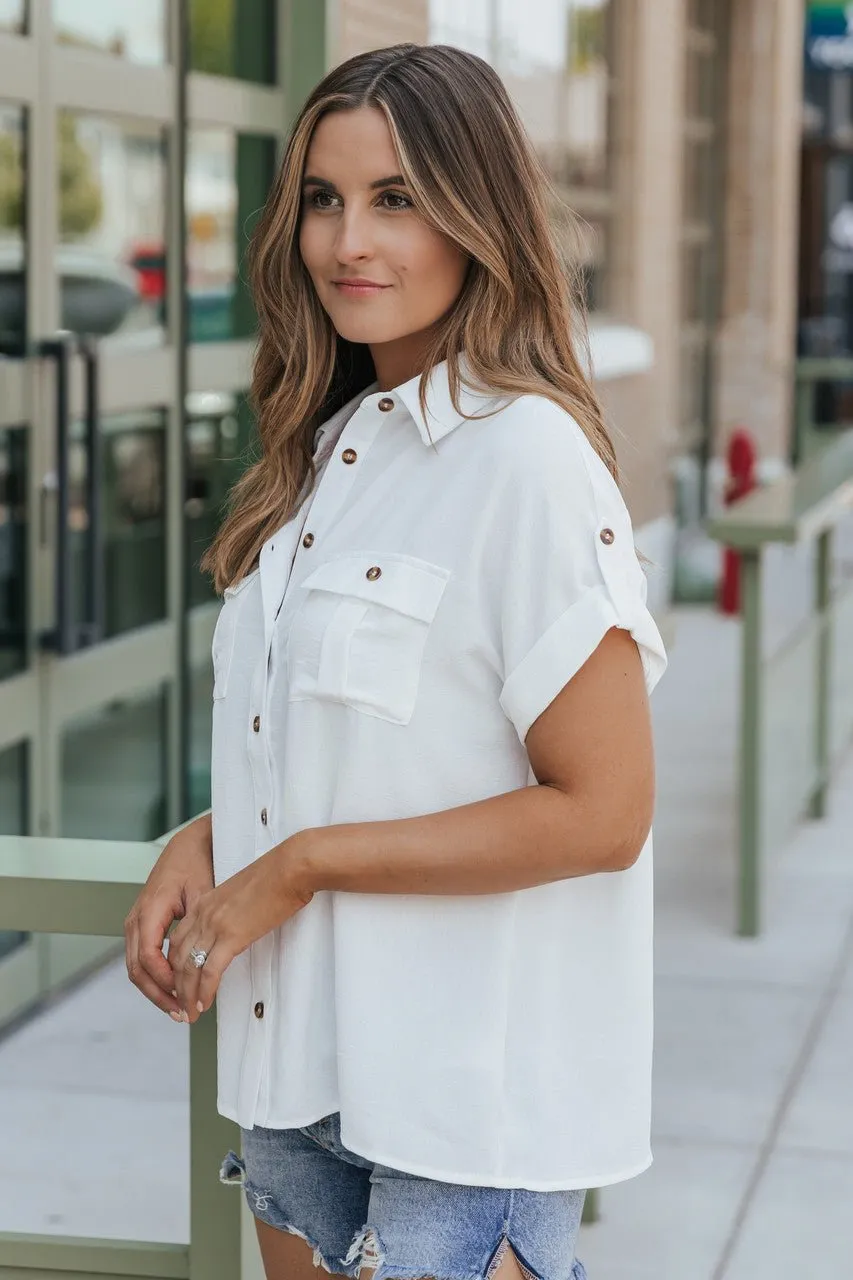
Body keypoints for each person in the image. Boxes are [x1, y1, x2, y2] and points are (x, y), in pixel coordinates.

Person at [124, 42, 667, 1280]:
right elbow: (367, 737)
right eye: (324, 198)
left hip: (457, 1113)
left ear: (478, 215)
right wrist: (214, 838)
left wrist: (302, 865)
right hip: (298, 1080)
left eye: (397, 197)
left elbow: (604, 811)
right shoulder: (321, 458)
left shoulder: (524, 459)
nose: (347, 240)